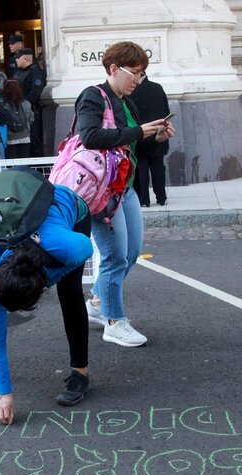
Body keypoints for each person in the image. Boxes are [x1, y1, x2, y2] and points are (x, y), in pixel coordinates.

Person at [0, 168, 94, 425]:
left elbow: (87, 249)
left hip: (70, 213)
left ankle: (80, 373)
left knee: (70, 293)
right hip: (15, 222)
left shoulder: (64, 246)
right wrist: (5, 395)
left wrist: (50, 278)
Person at [77, 41, 175, 347]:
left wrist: (155, 136)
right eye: (134, 72)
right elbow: (90, 136)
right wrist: (139, 131)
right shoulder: (94, 96)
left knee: (130, 254)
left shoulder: (128, 103)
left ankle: (96, 304)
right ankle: (114, 322)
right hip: (101, 191)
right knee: (114, 256)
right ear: (113, 69)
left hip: (125, 188)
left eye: (142, 74)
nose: (138, 80)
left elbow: (134, 149)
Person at [130, 77, 170, 206]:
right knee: (158, 167)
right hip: (158, 132)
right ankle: (161, 197)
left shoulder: (131, 89)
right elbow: (166, 110)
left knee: (141, 170)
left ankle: (144, 200)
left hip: (141, 132)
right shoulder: (157, 87)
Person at [14, 48, 46, 156]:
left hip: (31, 111)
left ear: (25, 59)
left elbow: (35, 93)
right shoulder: (20, 72)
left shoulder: (35, 72)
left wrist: (24, 105)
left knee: (34, 140)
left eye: (18, 58)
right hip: (19, 111)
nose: (16, 61)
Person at [1, 80, 32, 159]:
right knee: (24, 160)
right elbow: (31, 119)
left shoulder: (2, 104)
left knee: (11, 161)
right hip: (25, 135)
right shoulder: (26, 103)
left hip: (9, 137)